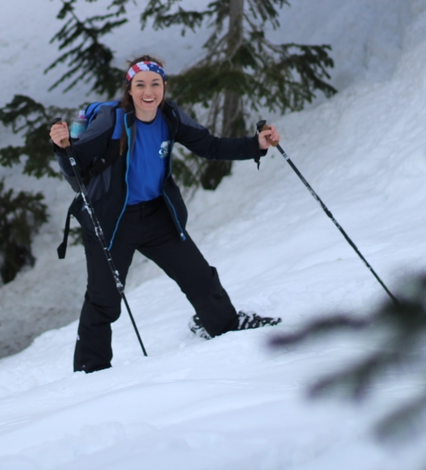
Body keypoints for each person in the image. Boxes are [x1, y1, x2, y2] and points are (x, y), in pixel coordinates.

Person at [50, 55, 281, 373]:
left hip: (157, 215)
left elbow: (210, 147)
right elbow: (77, 165)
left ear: (164, 87)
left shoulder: (170, 117)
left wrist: (256, 144)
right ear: (129, 90)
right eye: (140, 84)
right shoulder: (112, 119)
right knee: (104, 299)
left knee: (199, 276)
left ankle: (224, 327)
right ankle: (91, 369)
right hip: (112, 220)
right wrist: (62, 147)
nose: (149, 91)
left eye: (155, 84)